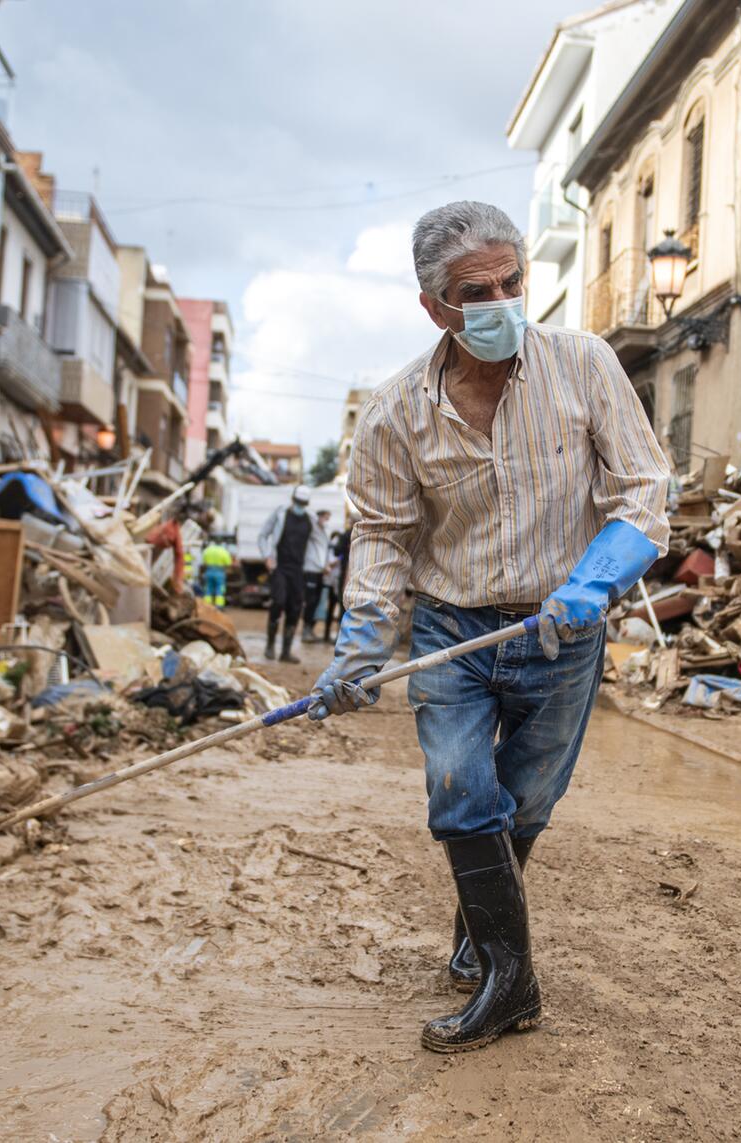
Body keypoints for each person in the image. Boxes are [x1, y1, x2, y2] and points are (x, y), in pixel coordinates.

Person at [307, 201, 670, 1052]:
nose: (503, 301)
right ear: (435, 306)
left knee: (527, 802)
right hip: (451, 630)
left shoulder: (584, 366)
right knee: (463, 791)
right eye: (479, 290)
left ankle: (482, 937)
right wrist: (360, 647)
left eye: (513, 281)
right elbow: (386, 535)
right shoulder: (396, 412)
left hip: (561, 631)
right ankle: (514, 983)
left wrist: (597, 576)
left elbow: (644, 492)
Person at [257, 485, 328, 663]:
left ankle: (286, 652)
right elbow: (263, 535)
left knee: (295, 608)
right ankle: (270, 646)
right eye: (298, 502)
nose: (300, 505)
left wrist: (321, 564)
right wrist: (267, 556)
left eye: (303, 503)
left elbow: (321, 542)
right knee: (278, 602)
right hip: (280, 567)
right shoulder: (280, 513)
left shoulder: (310, 520)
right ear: (292, 500)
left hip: (299, 570)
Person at [301, 509, 335, 643]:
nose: (326, 521)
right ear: (319, 517)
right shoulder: (313, 531)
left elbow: (323, 551)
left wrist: (326, 565)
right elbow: (314, 553)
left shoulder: (324, 533)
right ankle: (305, 630)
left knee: (315, 602)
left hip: (320, 572)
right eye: (325, 517)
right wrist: (323, 566)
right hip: (311, 570)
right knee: (310, 602)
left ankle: (310, 628)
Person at [199, 537, 233, 608]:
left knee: (208, 588)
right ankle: (219, 606)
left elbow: (203, 561)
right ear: (221, 543)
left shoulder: (208, 550)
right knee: (219, 589)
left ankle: (207, 606)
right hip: (219, 572)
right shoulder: (223, 551)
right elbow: (228, 563)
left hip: (209, 571)